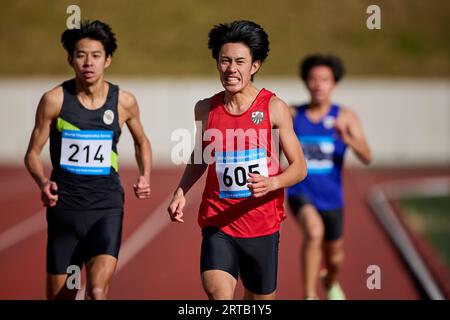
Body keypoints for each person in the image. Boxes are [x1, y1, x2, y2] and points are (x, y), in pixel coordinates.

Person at [167, 20, 307, 300]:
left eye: (239, 62)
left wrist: (272, 183)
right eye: (224, 61)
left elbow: (300, 168)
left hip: (262, 223)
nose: (231, 69)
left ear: (254, 66)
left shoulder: (274, 108)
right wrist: (181, 191)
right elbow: (200, 156)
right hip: (218, 222)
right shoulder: (206, 108)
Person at [24, 20, 152, 300]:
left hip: (105, 208)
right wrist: (43, 182)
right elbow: (32, 153)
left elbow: (142, 142)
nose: (88, 63)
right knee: (62, 296)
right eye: (81, 55)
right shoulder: (54, 100)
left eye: (95, 55)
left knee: (96, 290)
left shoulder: (123, 101)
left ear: (108, 60)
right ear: (70, 59)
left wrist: (145, 175)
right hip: (65, 209)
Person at [288, 54, 372, 300]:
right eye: (313, 79)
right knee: (314, 233)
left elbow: (367, 156)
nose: (318, 84)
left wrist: (347, 138)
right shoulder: (293, 115)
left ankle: (331, 280)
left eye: (324, 79)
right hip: (300, 191)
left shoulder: (345, 116)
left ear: (334, 83)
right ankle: (309, 295)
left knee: (334, 255)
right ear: (305, 82)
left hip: (332, 197)